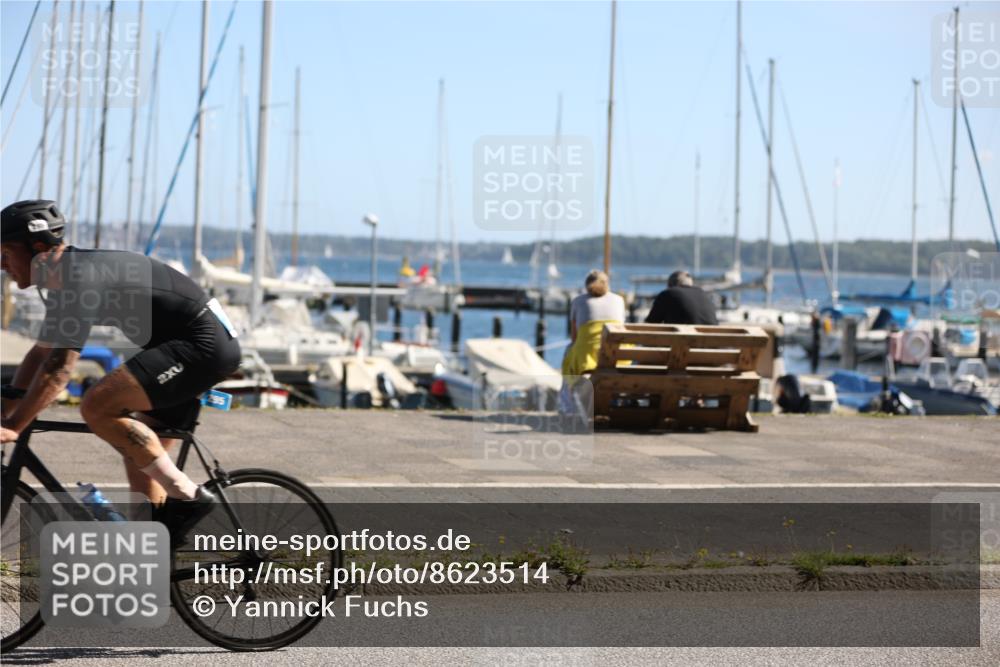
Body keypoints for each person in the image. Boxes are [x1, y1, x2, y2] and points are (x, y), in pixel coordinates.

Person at [0, 200, 242, 542]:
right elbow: (41, 354)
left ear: (38, 248)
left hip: (201, 345)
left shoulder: (79, 277)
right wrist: (7, 408)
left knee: (97, 405)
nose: (2, 264)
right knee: (139, 456)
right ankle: (155, 564)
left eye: (6, 252)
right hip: (187, 346)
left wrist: (14, 425)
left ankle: (189, 498)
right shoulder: (60, 279)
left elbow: (58, 371)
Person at [561, 269, 625, 376]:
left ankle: (568, 392)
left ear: (587, 285)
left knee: (569, 352)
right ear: (607, 284)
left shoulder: (578, 301)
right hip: (618, 359)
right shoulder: (619, 300)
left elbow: (574, 338)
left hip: (586, 361)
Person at [645, 270, 718, 325]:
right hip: (713, 343)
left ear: (670, 285)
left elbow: (650, 324)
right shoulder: (703, 294)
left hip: (684, 343)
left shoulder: (668, 293)